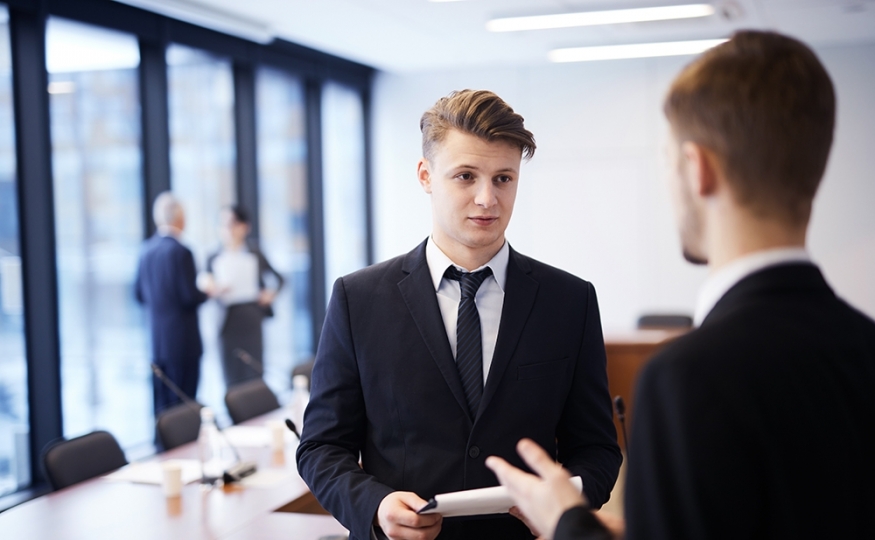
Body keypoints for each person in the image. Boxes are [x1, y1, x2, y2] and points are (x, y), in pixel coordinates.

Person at [486, 30, 875, 540]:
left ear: (697, 170)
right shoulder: (864, 348)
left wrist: (568, 522)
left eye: (667, 162)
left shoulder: (687, 380)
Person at [296, 89, 622, 540]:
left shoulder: (570, 300)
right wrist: (376, 507)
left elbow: (598, 449)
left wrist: (567, 510)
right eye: (465, 176)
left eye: (503, 179)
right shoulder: (359, 298)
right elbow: (321, 446)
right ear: (426, 175)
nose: (487, 199)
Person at [135, 192, 209, 417]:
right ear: (180, 219)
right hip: (183, 343)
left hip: (158, 344)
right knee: (184, 407)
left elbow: (138, 295)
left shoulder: (145, 250)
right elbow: (190, 297)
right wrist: (207, 292)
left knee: (162, 409)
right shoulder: (181, 252)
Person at [205, 205, 284, 388]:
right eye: (223, 225)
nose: (227, 230)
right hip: (227, 321)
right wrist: (214, 290)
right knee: (230, 375)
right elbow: (205, 286)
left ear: (244, 226)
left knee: (254, 372)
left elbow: (279, 279)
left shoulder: (254, 252)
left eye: (232, 224)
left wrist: (270, 294)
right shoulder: (213, 256)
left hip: (251, 318)